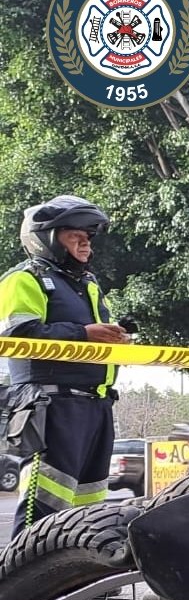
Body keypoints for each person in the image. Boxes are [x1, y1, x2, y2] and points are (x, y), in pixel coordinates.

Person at [0, 196, 129, 537]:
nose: (86, 242)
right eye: (75, 235)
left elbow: (95, 339)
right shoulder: (24, 279)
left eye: (89, 236)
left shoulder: (87, 285)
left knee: (88, 510)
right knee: (42, 509)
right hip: (52, 406)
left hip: (97, 405)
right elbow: (18, 333)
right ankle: (24, 586)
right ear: (48, 238)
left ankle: (78, 584)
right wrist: (84, 334)